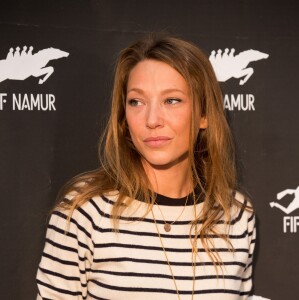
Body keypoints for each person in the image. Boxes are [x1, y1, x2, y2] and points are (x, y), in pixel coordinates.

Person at [36, 34, 256, 300]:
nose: (152, 120)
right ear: (123, 115)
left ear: (204, 114)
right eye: (136, 102)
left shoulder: (237, 214)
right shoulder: (84, 213)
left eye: (171, 100)